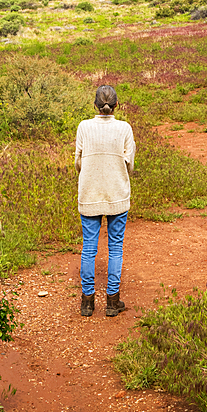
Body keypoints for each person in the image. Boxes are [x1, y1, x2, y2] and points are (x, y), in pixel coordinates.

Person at [75, 84, 136, 318]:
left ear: (95, 105)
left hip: (89, 192)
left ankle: (87, 303)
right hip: (117, 193)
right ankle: (112, 301)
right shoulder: (124, 128)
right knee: (115, 247)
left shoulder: (84, 127)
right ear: (116, 106)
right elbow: (129, 164)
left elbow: (78, 162)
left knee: (89, 248)